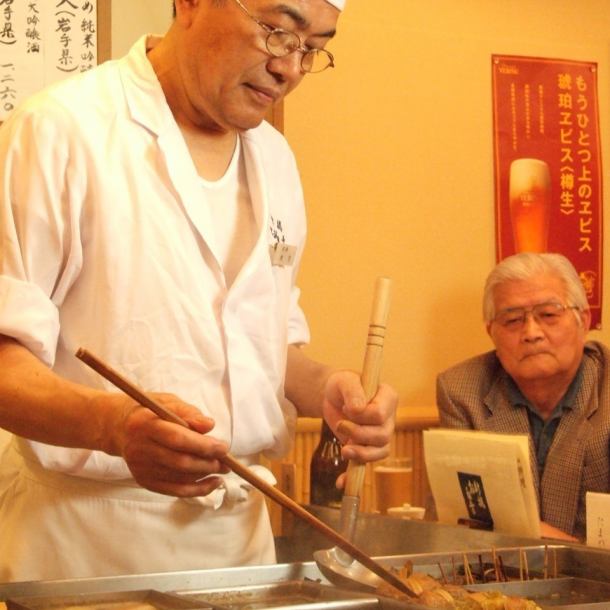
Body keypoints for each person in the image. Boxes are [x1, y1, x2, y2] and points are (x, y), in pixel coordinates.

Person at [0, 0, 398, 582]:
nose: (289, 68)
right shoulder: (62, 130)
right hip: (84, 545)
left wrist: (327, 389)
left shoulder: (275, 159)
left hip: (238, 546)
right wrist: (113, 426)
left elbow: (262, 348)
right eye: (278, 32)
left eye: (313, 49)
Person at [436, 252, 609, 542]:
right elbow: (466, 520)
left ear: (583, 320)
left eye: (549, 315)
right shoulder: (461, 391)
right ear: (491, 332)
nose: (531, 333)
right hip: (501, 575)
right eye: (513, 320)